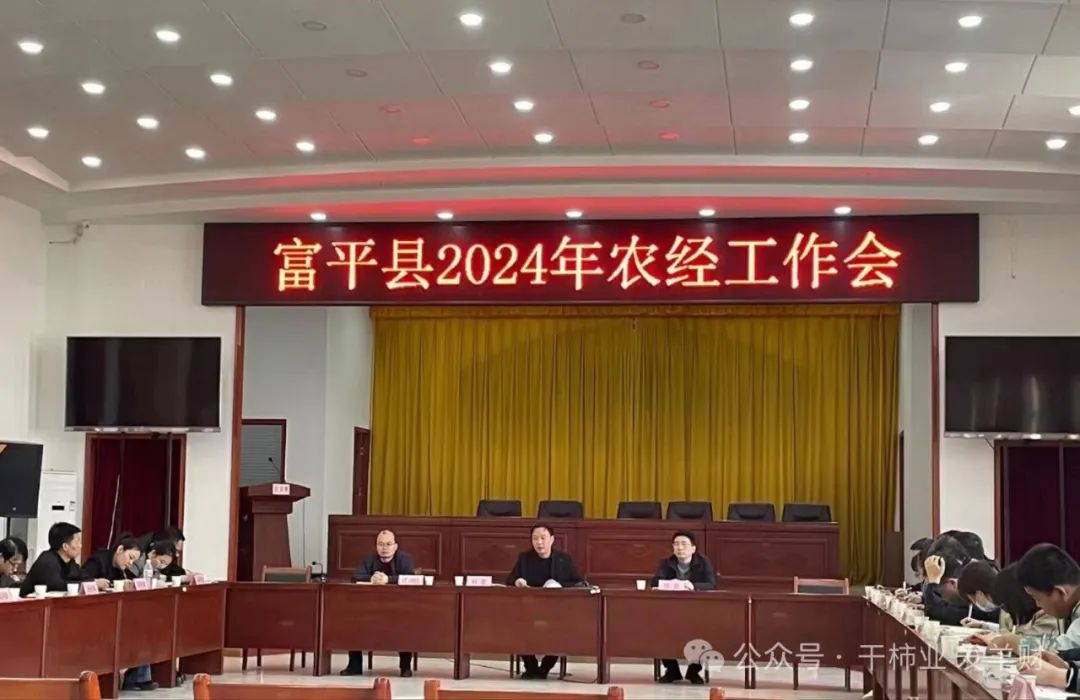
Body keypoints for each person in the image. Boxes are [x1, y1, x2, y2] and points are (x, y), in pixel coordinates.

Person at [506, 524, 585, 680]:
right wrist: (518, 581)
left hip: (557, 610)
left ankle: (545, 668)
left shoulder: (563, 559)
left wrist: (559, 585)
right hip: (529, 609)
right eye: (535, 539)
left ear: (552, 540)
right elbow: (510, 580)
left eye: (543, 538)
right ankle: (531, 667)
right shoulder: (525, 558)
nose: (539, 542)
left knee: (562, 628)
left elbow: (579, 583)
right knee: (516, 624)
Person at [339, 529, 416, 678]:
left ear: (395, 546)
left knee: (406, 623)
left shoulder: (404, 559)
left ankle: (405, 667)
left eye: (388, 544)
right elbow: (355, 577)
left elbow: (410, 578)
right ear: (376, 546)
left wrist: (388, 580)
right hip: (371, 607)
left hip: (398, 606)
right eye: (380, 544)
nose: (384, 548)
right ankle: (354, 666)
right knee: (353, 621)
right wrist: (371, 579)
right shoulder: (370, 558)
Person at [651, 531, 716, 685]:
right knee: (661, 630)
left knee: (702, 632)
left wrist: (693, 585)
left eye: (684, 544)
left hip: (697, 610)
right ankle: (672, 671)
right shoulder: (666, 563)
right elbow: (654, 583)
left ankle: (694, 672)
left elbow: (711, 584)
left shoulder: (703, 562)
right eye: (676, 544)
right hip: (670, 610)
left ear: (693, 548)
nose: (680, 548)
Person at [922, 535, 997, 626]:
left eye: (939, 589)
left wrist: (933, 583)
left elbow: (937, 616)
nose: (941, 596)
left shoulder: (978, 580)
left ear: (953, 583)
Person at [1017, 543, 1080, 651]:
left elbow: (1068, 648)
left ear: (1060, 592)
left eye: (1037, 598)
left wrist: (1017, 643)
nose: (1037, 605)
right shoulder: (1069, 608)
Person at [19, 522, 105, 597]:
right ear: (65, 546)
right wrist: (92, 584)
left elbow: (82, 576)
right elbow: (58, 586)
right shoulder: (47, 561)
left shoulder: (70, 562)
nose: (80, 546)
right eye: (77, 542)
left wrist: (94, 582)